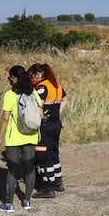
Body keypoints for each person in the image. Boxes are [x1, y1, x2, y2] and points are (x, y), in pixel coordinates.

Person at [0, 65, 42, 212]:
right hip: (31, 135)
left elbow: (5, 118)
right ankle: (27, 201)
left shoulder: (10, 95)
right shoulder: (33, 93)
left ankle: (8, 204)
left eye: (10, 77)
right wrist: (38, 131)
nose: (9, 79)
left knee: (12, 170)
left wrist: (0, 136)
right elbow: (40, 114)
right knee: (29, 169)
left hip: (14, 138)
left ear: (14, 78)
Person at [29, 62, 66, 199]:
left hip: (45, 126)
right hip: (56, 123)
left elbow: (38, 106)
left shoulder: (42, 87)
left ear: (40, 74)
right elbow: (65, 99)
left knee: (43, 155)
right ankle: (58, 181)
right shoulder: (57, 85)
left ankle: (48, 187)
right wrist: (58, 112)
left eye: (33, 75)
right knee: (53, 152)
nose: (33, 78)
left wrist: (38, 124)